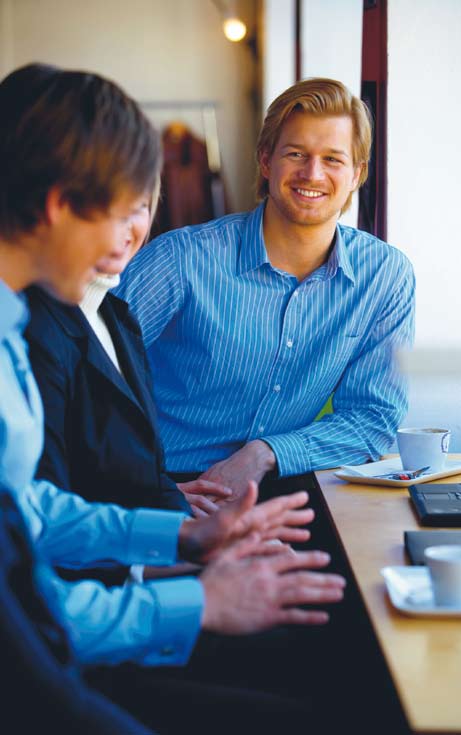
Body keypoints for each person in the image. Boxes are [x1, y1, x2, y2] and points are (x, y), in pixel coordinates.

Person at [0, 63, 346, 733]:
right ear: (57, 204)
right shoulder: (37, 327)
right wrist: (194, 598)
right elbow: (26, 619)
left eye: (144, 207)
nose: (129, 237)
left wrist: (182, 534)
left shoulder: (17, 325)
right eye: (121, 208)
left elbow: (29, 511)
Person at [117, 77, 415, 497]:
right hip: (164, 486)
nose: (312, 173)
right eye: (296, 153)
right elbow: (85, 374)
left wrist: (265, 453)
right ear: (265, 161)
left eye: (333, 159)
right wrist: (139, 489)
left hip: (286, 482)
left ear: (356, 175)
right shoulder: (180, 259)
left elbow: (372, 418)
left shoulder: (384, 277)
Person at [24, 183, 231, 519]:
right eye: (107, 206)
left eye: (139, 207)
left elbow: (149, 473)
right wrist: (177, 546)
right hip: (95, 562)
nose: (127, 226)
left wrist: (197, 530)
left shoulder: (117, 316)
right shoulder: (35, 330)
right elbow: (48, 519)